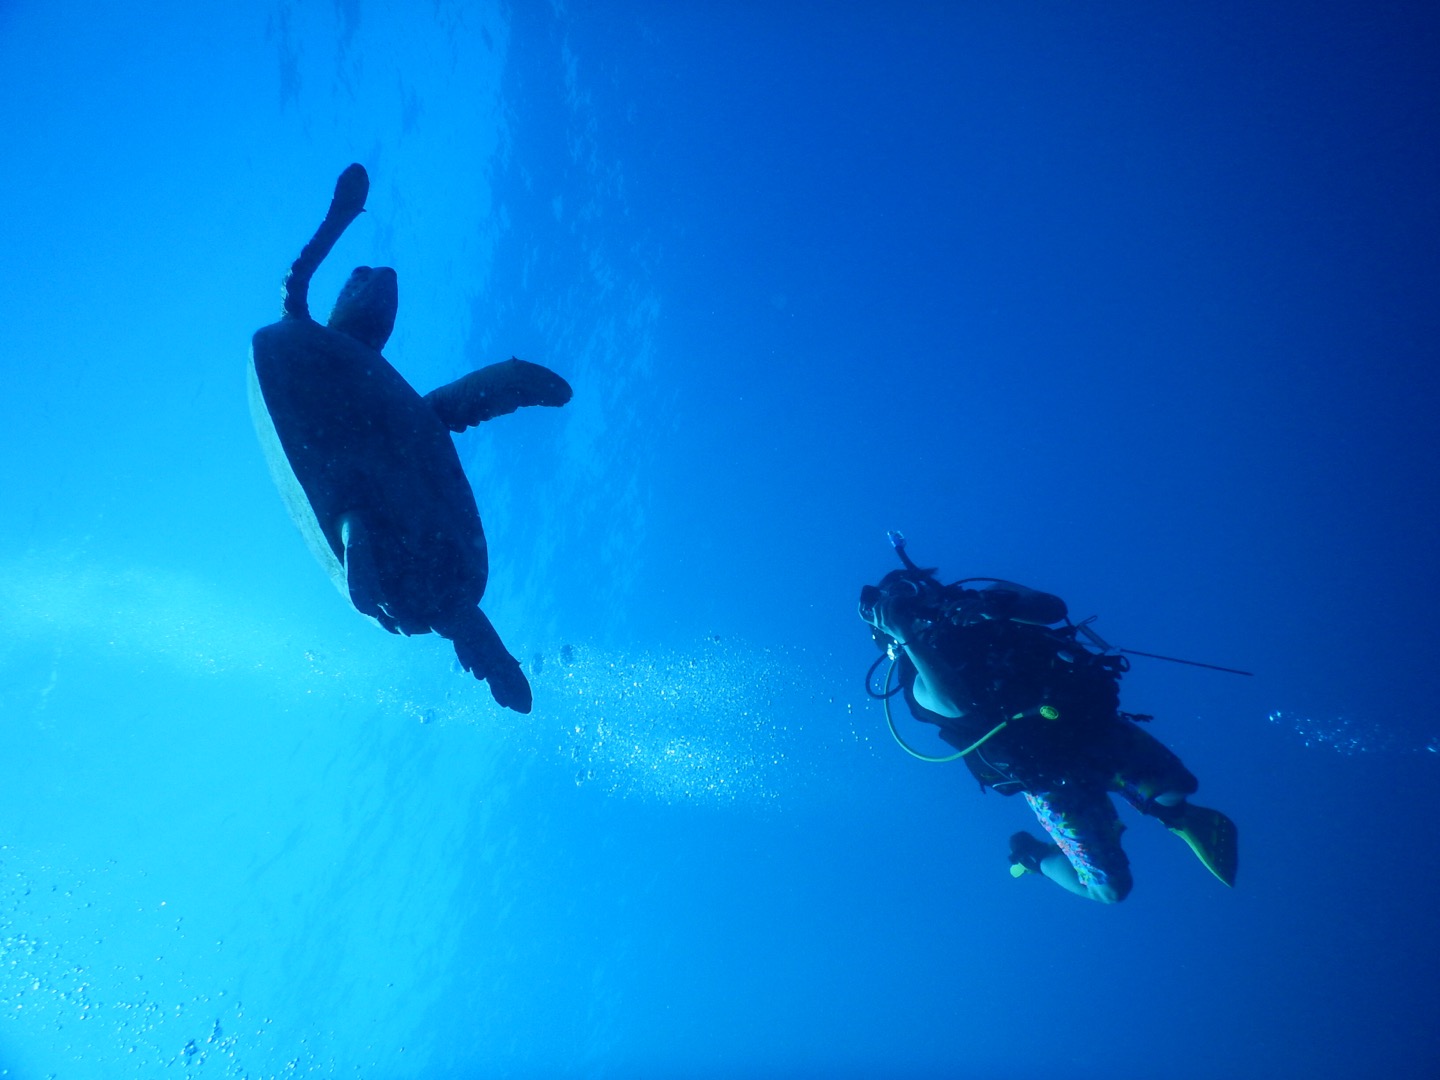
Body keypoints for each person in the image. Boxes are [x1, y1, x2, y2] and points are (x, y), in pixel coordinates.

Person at [858, 546, 1237, 904]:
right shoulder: (914, 673)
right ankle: (1032, 856)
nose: (914, 606)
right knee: (1111, 889)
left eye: (911, 591)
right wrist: (908, 636)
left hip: (1093, 728)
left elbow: (1053, 608)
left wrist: (991, 605)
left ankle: (1171, 814)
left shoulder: (983, 602)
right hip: (1050, 776)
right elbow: (952, 702)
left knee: (1180, 787)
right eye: (899, 606)